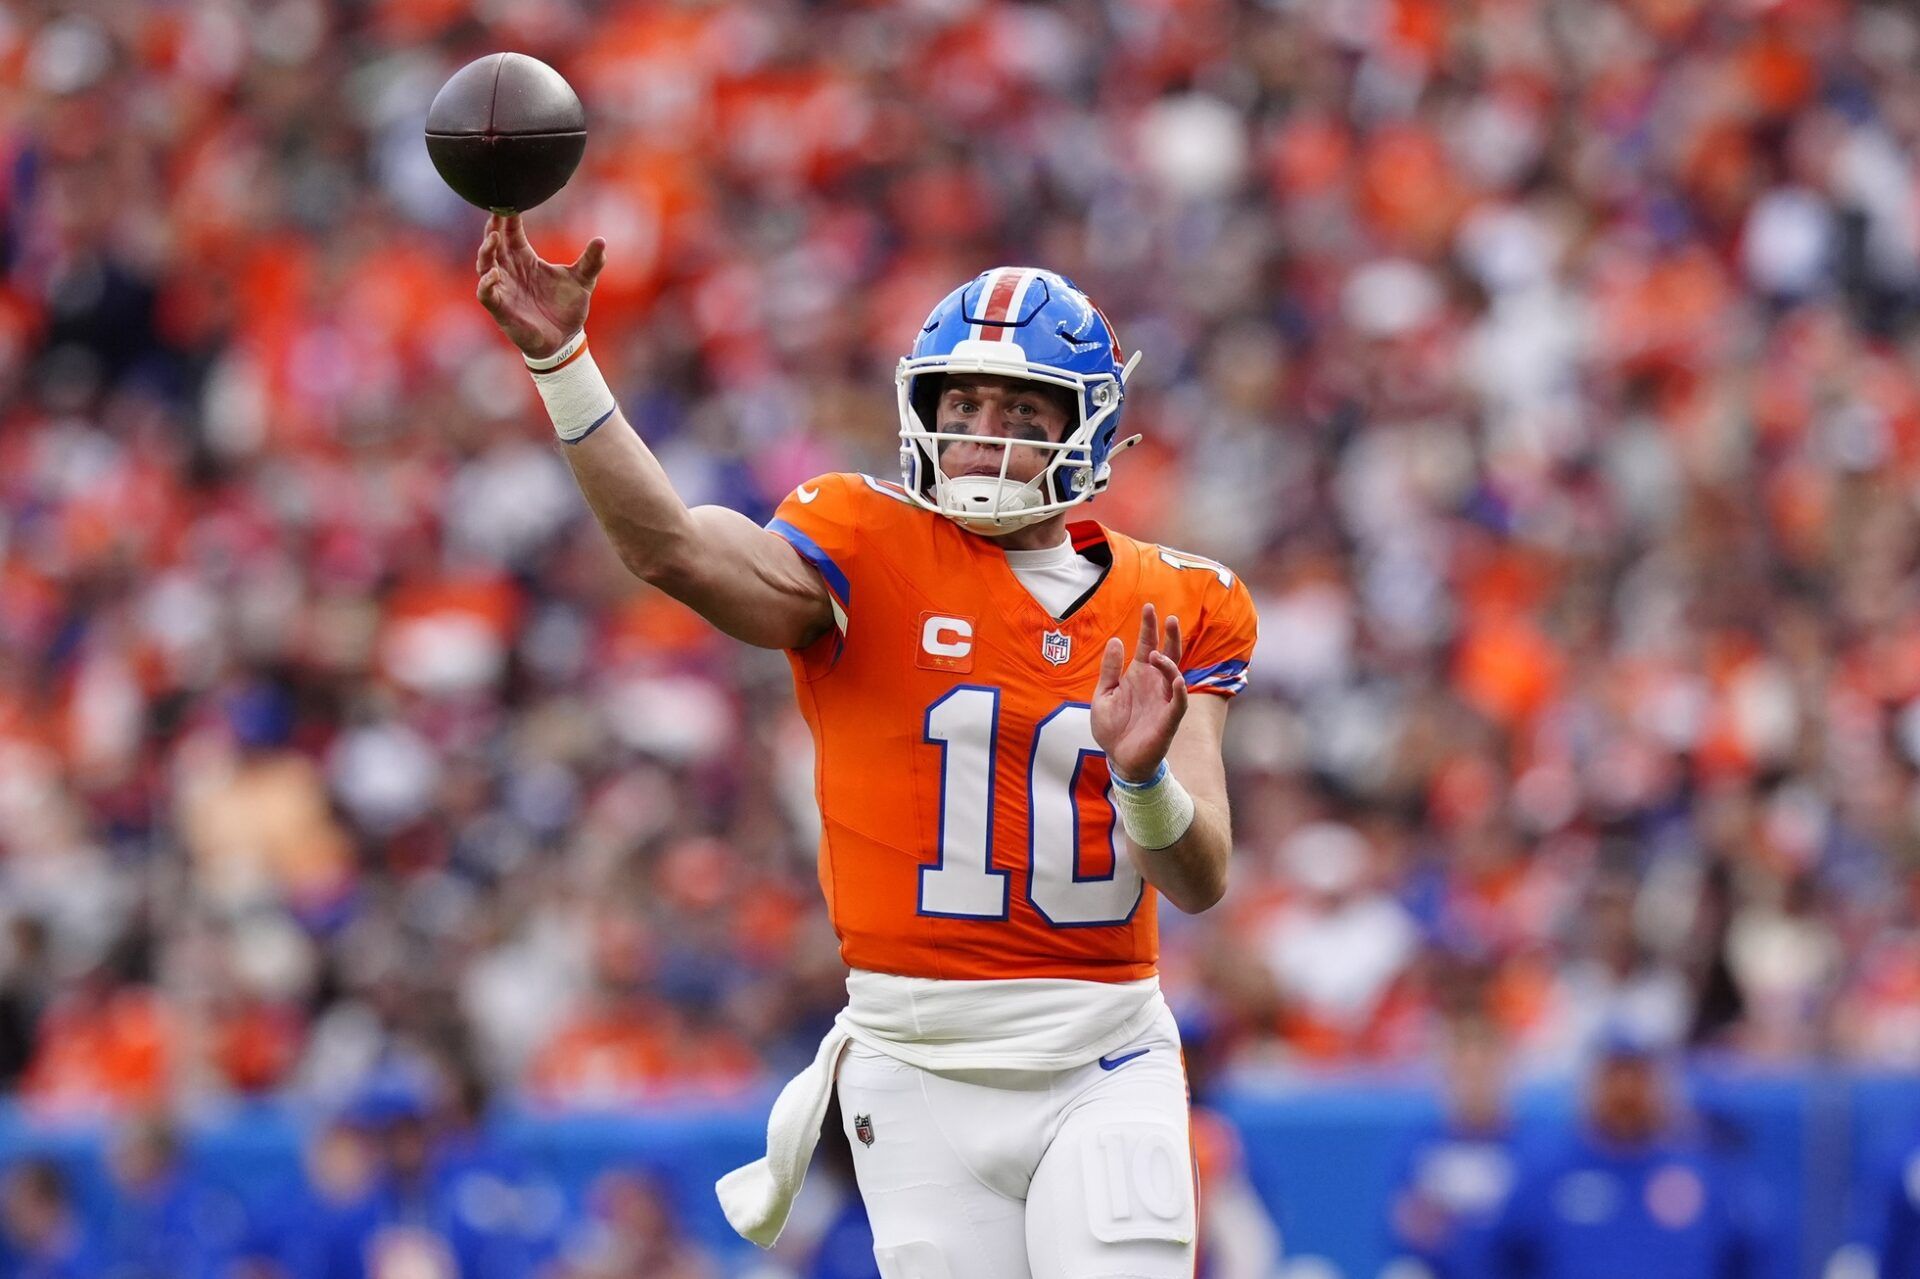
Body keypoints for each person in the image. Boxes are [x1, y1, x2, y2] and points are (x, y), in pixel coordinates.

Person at [475, 215, 1258, 1278]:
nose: (982, 434)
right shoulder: (861, 540)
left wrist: (1142, 776)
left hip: (1098, 1048)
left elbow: (1200, 876)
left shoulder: (1182, 600)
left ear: (1090, 426)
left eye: (1020, 410)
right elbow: (667, 547)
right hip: (913, 1059)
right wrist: (562, 363)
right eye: (965, 405)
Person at [1493, 1030, 1763, 1279]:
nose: (1625, 1091)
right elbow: (1503, 1258)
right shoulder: (1545, 1176)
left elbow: (1748, 1256)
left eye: (1637, 1075)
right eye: (1614, 1075)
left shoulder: (1704, 1175)